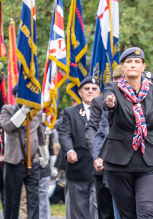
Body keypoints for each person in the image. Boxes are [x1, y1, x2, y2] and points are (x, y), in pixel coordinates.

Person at [100, 47, 153, 218]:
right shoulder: (113, 88)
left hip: (152, 162)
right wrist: (109, 103)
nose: (133, 65)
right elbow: (107, 100)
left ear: (143, 66)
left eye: (137, 62)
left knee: (146, 211)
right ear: (122, 66)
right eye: (128, 62)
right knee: (127, 214)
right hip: (119, 163)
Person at [0, 85, 49, 219]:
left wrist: (45, 155)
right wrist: (23, 112)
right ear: (15, 97)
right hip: (15, 162)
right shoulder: (7, 110)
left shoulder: (36, 113)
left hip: (33, 162)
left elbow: (40, 135)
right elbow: (7, 127)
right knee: (13, 199)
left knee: (33, 199)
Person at [59, 76, 100, 219]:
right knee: (78, 210)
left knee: (99, 209)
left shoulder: (107, 113)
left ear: (99, 92)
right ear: (80, 92)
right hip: (78, 167)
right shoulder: (70, 112)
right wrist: (69, 150)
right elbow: (64, 134)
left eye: (94, 89)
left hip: (101, 169)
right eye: (86, 88)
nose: (90, 91)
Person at [90, 66, 123, 219]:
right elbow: (99, 132)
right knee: (107, 209)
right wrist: (97, 156)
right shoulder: (101, 103)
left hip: (136, 164)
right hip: (108, 162)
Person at [39, 126, 55, 219]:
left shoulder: (47, 131)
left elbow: (51, 151)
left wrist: (52, 169)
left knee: (43, 195)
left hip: (44, 167)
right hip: (31, 166)